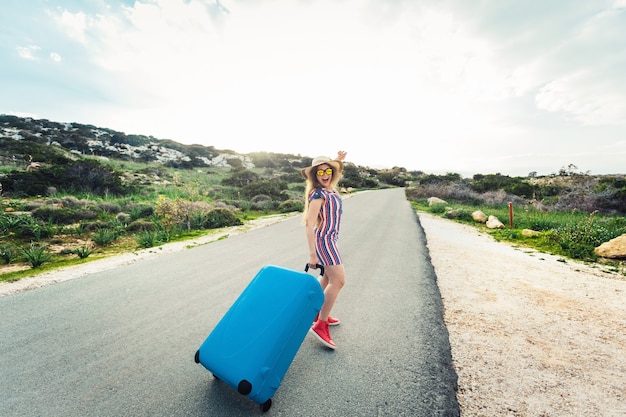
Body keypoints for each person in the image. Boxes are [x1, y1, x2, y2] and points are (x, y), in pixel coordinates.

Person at [301, 151, 347, 349]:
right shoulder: (318, 194)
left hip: (331, 239)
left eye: (328, 170)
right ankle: (321, 324)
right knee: (338, 280)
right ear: (314, 176)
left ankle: (312, 312)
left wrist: (338, 160)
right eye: (320, 172)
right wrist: (312, 254)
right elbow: (309, 224)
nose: (325, 174)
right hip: (325, 240)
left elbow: (334, 170)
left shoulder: (330, 190)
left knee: (328, 279)